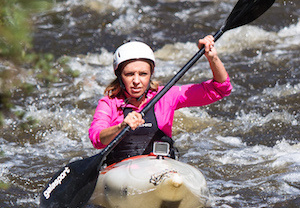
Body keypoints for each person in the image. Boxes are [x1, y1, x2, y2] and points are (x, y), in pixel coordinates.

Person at [88, 37, 231, 166]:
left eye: (143, 74)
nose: (136, 81)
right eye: (129, 74)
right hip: (122, 171)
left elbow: (220, 89)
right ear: (119, 75)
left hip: (160, 168)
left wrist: (212, 58)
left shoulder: (165, 96)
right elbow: (97, 139)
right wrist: (121, 126)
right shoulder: (109, 103)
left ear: (151, 74)